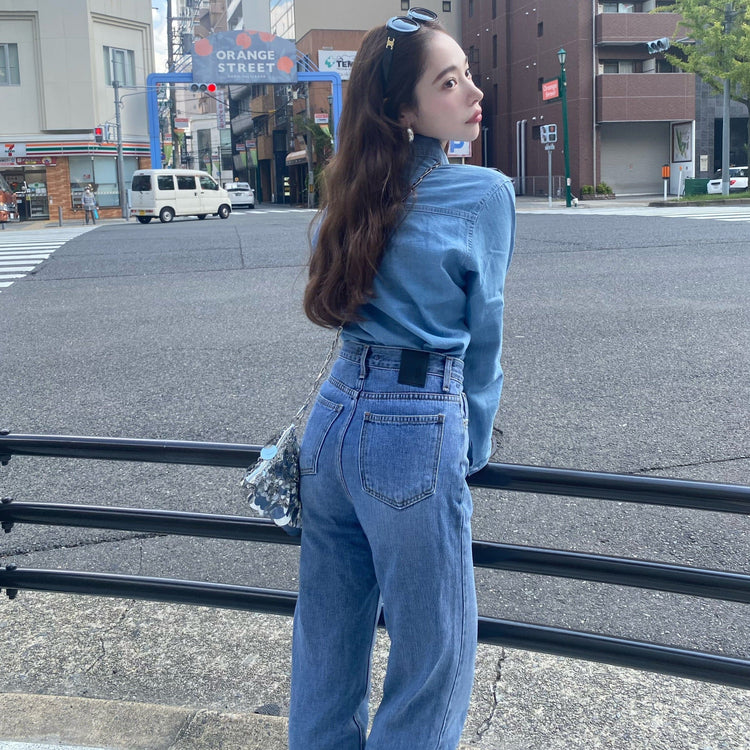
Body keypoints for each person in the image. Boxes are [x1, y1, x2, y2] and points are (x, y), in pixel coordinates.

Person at [290, 9, 515, 750]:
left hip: (331, 422)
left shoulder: (353, 188)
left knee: (326, 646)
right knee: (432, 657)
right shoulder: (483, 194)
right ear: (404, 111)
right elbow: (484, 334)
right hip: (412, 428)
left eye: (468, 76)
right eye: (449, 83)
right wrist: (474, 441)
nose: (473, 93)